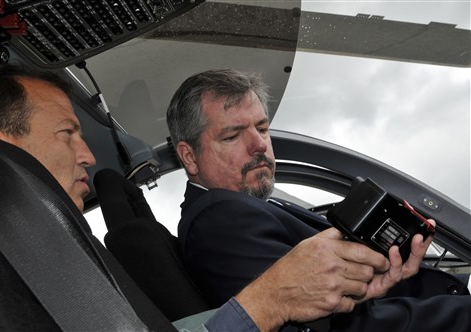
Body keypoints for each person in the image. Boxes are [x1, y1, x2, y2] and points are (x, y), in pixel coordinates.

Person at [0, 64, 410, 332]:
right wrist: (268, 300)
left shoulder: (51, 254)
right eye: (68, 133)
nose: (87, 155)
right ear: (1, 147)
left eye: (263, 128)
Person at [164, 69, 471, 331]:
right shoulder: (218, 218)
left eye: (262, 128)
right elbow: (339, 326)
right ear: (189, 157)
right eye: (232, 136)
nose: (259, 145)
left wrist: (372, 275)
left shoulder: (246, 207)